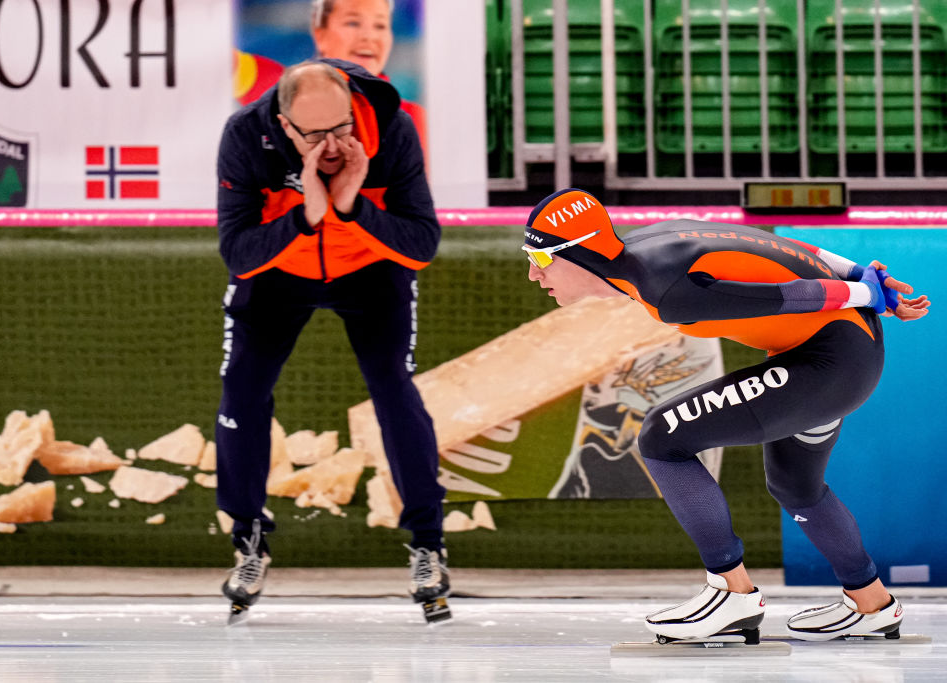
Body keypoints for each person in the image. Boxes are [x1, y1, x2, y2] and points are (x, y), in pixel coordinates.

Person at [522, 188, 930, 643]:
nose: (534, 275)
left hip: (827, 361)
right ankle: (871, 603)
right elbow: (780, 245)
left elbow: (785, 296)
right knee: (795, 485)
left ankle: (732, 593)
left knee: (661, 436)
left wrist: (864, 291)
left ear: (577, 254)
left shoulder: (664, 290)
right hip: (839, 354)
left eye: (539, 260)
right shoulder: (649, 244)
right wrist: (860, 274)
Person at [214, 58, 449, 620]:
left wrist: (351, 206)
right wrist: (305, 218)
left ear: (352, 107)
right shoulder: (246, 136)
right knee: (241, 393)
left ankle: (428, 544)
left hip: (370, 272)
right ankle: (248, 538)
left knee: (394, 390)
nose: (334, 143)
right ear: (284, 125)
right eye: (315, 134)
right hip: (278, 274)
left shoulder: (390, 128)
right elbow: (238, 253)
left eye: (342, 126)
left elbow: (421, 244)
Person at [235, 0, 427, 155]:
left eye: (380, 26)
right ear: (320, 34)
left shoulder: (414, 120)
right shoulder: (280, 94)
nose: (369, 37)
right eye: (353, 23)